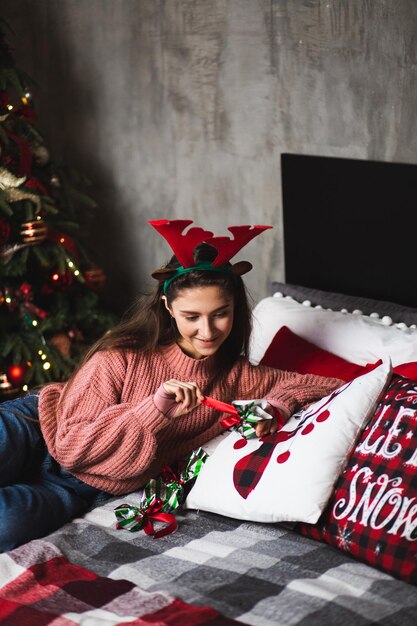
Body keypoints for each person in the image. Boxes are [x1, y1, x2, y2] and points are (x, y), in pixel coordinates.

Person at [0, 219, 342, 552]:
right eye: (192, 317)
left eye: (220, 313)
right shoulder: (122, 356)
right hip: (36, 430)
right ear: (168, 308)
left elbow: (319, 383)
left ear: (235, 308)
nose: (207, 331)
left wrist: (276, 405)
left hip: (76, 488)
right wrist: (153, 410)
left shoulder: (239, 377)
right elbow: (72, 447)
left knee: (7, 524)